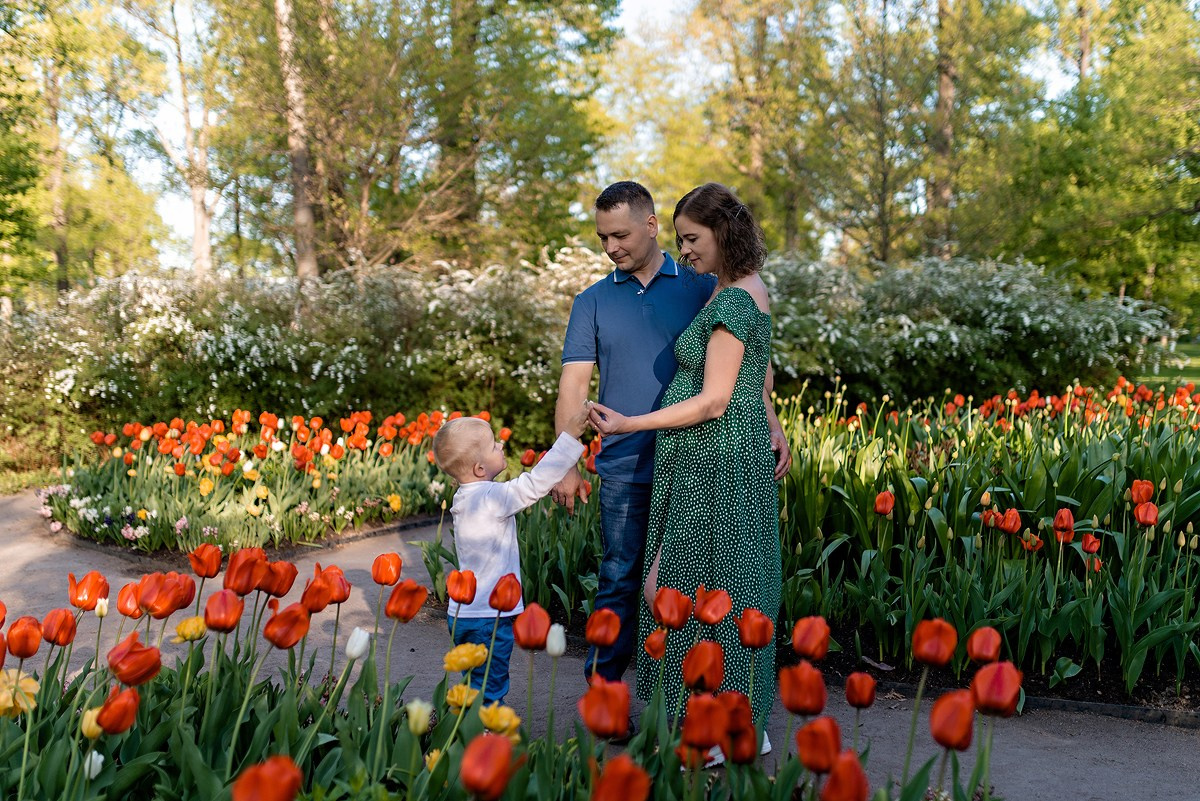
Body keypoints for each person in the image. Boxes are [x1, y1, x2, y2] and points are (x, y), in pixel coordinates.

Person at [554, 180, 791, 688]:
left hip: (692, 461)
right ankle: (607, 699)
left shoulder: (705, 284)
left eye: (620, 234)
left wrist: (770, 418)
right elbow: (573, 386)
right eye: (603, 238)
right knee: (620, 579)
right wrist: (566, 462)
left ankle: (694, 701)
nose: (611, 246)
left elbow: (747, 364)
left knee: (694, 585)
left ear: (651, 225)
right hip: (625, 463)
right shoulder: (591, 302)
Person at [431, 410, 587, 703]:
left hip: (463, 614)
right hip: (489, 616)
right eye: (493, 446)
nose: (501, 446)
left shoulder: (464, 498)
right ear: (479, 468)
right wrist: (569, 439)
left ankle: (467, 729)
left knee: (475, 680)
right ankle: (487, 737)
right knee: (491, 685)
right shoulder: (490, 498)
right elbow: (533, 484)